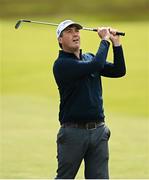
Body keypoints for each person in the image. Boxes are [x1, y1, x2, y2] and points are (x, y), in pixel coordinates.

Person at [53, 20, 126, 179]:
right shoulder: (62, 64)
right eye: (69, 31)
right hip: (73, 132)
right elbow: (95, 65)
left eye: (77, 31)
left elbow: (119, 71)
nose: (75, 34)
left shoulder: (89, 58)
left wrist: (116, 44)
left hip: (99, 131)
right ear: (60, 39)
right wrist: (104, 40)